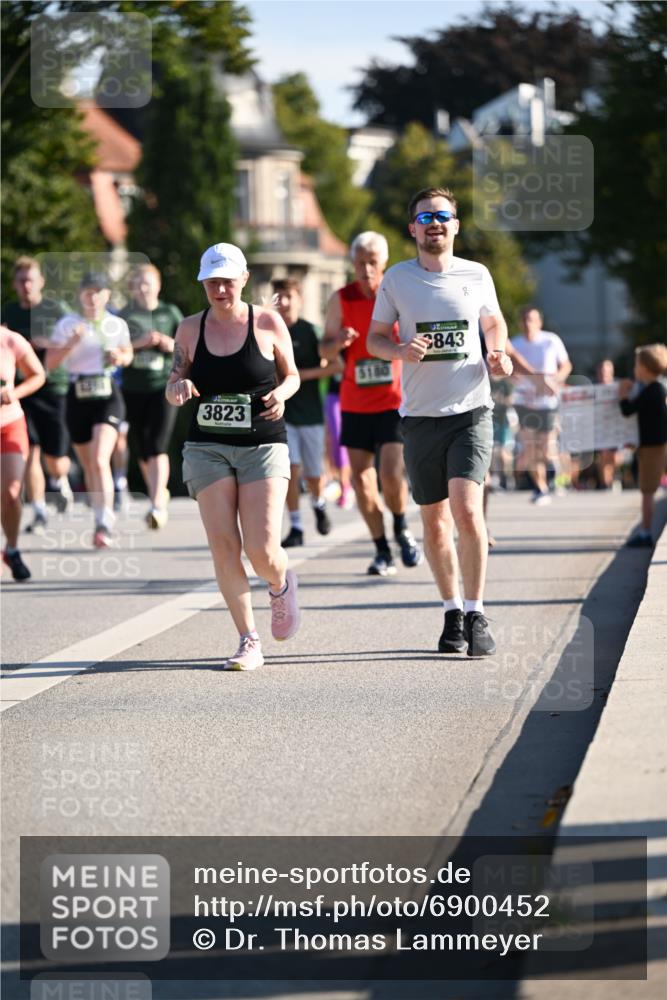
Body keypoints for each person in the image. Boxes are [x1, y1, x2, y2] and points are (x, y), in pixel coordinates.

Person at [367, 187, 514, 657]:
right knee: (433, 524)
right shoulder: (397, 279)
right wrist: (398, 350)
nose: (435, 223)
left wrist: (498, 352)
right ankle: (451, 610)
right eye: (425, 217)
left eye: (443, 216)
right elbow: (373, 339)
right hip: (419, 417)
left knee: (467, 511)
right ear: (412, 228)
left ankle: (476, 612)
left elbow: (494, 323)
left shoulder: (477, 274)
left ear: (455, 225)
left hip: (471, 410)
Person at [166, 243, 301, 672]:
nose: (220, 288)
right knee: (224, 545)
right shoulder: (188, 329)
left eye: (227, 280)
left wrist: (281, 392)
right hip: (207, 446)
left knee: (262, 550)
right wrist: (177, 388)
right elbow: (175, 377)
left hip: (262, 444)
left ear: (244, 280)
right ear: (203, 283)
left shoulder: (267, 322)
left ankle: (279, 584)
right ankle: (248, 639)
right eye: (212, 281)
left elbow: (293, 375)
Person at [320, 231, 423, 576]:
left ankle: (401, 527)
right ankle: (381, 549)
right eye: (360, 263)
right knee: (363, 483)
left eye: (373, 263)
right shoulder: (341, 299)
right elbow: (323, 351)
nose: (366, 270)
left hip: (393, 401)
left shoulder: (397, 296)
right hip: (354, 403)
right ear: (352, 264)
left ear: (384, 264)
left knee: (391, 474)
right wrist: (339, 342)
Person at [46, 273, 133, 549]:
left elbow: (127, 353)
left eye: (98, 292)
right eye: (87, 292)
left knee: (98, 459)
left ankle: (104, 522)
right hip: (77, 393)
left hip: (107, 394)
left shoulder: (116, 324)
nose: (93, 297)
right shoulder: (67, 324)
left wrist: (121, 357)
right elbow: (50, 362)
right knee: (87, 464)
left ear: (107, 295)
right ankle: (99, 514)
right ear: (80, 296)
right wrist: (71, 343)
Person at [1, 256, 71, 530]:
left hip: (53, 386)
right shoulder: (8, 312)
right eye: (21, 280)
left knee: (56, 458)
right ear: (15, 284)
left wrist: (50, 342)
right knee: (29, 449)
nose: (26, 285)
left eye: (31, 279)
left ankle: (59, 479)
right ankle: (40, 510)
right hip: (17, 390)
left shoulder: (56, 309)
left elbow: (76, 337)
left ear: (41, 281)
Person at [271, 277, 336, 547]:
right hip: (282, 414)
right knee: (290, 469)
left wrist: (297, 376)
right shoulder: (269, 330)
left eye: (288, 296)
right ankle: (296, 526)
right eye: (278, 297)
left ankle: (319, 503)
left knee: (313, 473)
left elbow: (336, 365)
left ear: (300, 299)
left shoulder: (311, 331)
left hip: (311, 414)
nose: (283, 303)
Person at [120, 263, 183, 528]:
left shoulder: (170, 313)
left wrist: (169, 344)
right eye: (139, 284)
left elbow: (187, 345)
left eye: (148, 283)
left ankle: (157, 505)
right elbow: (115, 348)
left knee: (157, 445)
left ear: (158, 286)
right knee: (143, 449)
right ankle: (159, 492)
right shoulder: (124, 316)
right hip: (133, 389)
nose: (144, 288)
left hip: (163, 387)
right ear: (132, 288)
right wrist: (140, 342)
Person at [510, 306, 572, 505]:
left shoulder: (551, 340)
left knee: (545, 447)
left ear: (539, 322)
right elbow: (508, 370)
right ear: (521, 322)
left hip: (547, 402)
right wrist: (517, 382)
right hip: (524, 402)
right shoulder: (514, 343)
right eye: (525, 319)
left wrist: (556, 381)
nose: (528, 323)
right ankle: (541, 488)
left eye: (532, 319)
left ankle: (553, 471)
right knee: (530, 447)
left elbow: (566, 365)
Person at [1, 325, 46, 580]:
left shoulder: (9, 340)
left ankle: (12, 549)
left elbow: (37, 375)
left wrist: (13, 393)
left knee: (10, 492)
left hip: (8, 424)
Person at [618, 343, 667, 548]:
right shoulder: (657, 389)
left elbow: (628, 410)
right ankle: (645, 531)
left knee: (647, 492)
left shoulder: (650, 391)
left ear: (645, 368)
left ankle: (646, 533)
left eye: (637, 364)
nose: (634, 368)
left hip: (652, 446)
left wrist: (622, 395)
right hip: (658, 443)